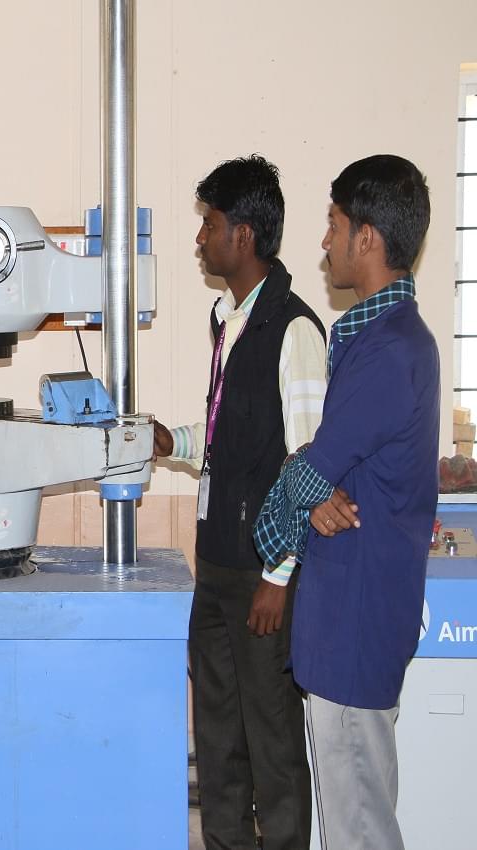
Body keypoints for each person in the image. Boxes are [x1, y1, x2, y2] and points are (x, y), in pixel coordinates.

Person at [254, 154, 439, 850]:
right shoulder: (373, 339)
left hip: (356, 625)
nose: (325, 241)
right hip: (347, 619)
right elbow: (321, 471)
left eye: (333, 225)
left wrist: (300, 482)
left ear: (367, 236)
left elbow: (310, 470)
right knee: (352, 816)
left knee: (359, 825)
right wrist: (310, 485)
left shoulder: (389, 349)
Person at [154, 155, 324, 849]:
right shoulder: (229, 321)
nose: (201, 238)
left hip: (263, 577)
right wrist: (170, 441)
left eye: (210, 224)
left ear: (244, 235)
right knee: (220, 741)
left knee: (273, 746)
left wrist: (279, 577)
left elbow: (309, 463)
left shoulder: (294, 330)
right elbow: (231, 436)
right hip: (217, 567)